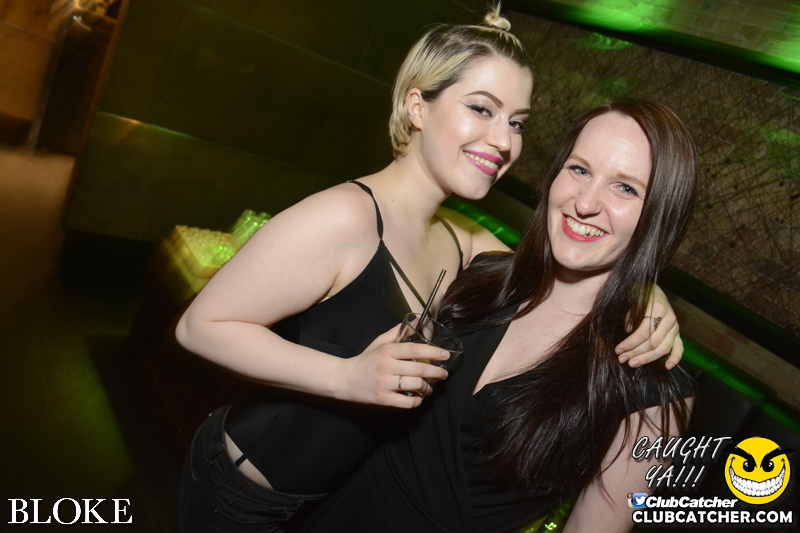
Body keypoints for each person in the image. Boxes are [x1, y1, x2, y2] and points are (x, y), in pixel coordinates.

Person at [174, 6, 683, 531]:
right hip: (242, 494)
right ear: (417, 106)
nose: (503, 140)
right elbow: (199, 326)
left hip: (330, 501)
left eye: (516, 122)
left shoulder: (462, 241)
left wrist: (645, 293)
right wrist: (345, 377)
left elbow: (564, 264)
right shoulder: (346, 216)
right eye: (481, 109)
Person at [300, 98, 698, 533]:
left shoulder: (652, 387)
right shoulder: (481, 276)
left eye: (626, 188)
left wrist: (641, 287)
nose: (585, 203)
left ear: (661, 216)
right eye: (579, 170)